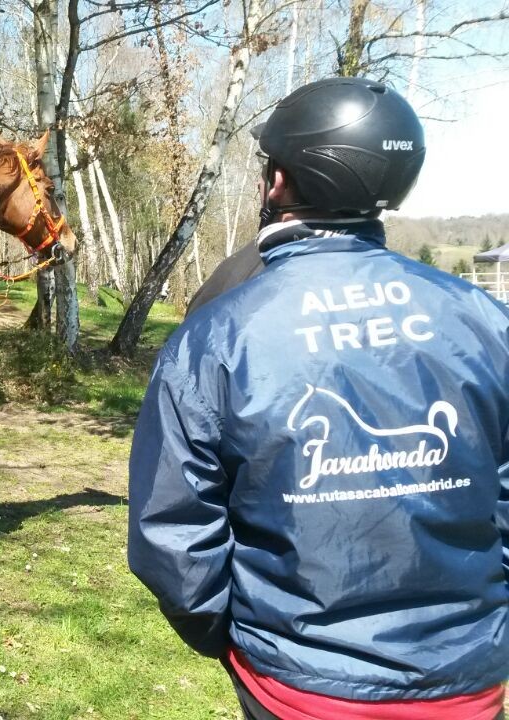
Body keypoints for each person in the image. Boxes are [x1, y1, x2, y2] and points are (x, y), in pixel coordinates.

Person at [128, 77, 507, 720]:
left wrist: (237, 637)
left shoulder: (218, 335)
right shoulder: (484, 320)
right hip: (465, 681)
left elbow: (175, 528)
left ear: (279, 182)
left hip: (297, 686)